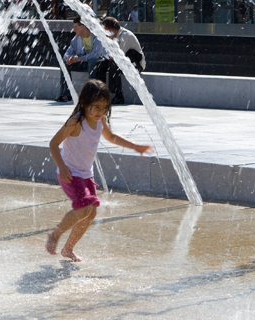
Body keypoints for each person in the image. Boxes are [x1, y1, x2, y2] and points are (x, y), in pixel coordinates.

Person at [45, 79, 153, 261]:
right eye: (96, 107)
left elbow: (111, 137)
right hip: (70, 173)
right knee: (85, 206)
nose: (100, 112)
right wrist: (62, 166)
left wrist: (135, 146)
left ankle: (68, 249)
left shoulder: (100, 120)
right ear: (85, 103)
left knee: (91, 212)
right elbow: (53, 144)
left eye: (104, 108)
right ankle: (55, 234)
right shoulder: (76, 121)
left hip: (86, 174)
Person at [92, 17, 146, 104]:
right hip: (122, 61)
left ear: (111, 29)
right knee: (99, 64)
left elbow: (118, 56)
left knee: (113, 64)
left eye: (105, 30)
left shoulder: (126, 36)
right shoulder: (112, 37)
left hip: (136, 64)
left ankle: (118, 95)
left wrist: (111, 55)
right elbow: (108, 54)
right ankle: (101, 93)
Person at [56, 16, 107, 102]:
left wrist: (79, 59)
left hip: (100, 63)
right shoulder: (76, 39)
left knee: (92, 61)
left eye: (75, 27)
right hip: (84, 62)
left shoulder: (97, 36)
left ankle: (93, 95)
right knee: (64, 63)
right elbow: (67, 53)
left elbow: (97, 54)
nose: (74, 29)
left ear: (82, 27)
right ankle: (66, 95)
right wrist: (69, 58)